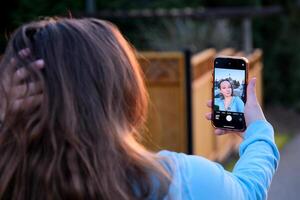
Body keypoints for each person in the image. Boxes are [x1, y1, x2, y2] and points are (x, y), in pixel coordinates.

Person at [0, 17, 279, 200]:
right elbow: (248, 191)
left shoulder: (13, 184)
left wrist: (5, 122)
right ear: (124, 89)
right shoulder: (182, 182)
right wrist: (258, 131)